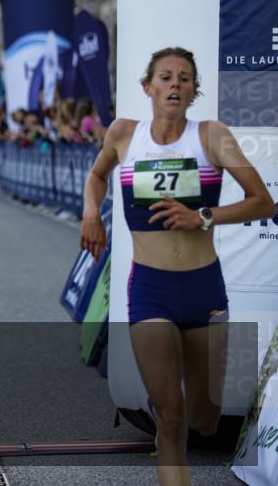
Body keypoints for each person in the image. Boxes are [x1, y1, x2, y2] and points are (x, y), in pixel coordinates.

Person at [79, 47, 272, 486]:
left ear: (193, 90)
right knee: (171, 416)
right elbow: (96, 176)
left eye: (184, 78)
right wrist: (91, 213)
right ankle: (165, 415)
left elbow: (262, 201)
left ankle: (180, 405)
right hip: (150, 290)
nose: (175, 85)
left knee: (205, 419)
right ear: (148, 87)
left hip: (204, 290)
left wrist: (202, 216)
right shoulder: (124, 134)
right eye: (165, 77)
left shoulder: (212, 136)